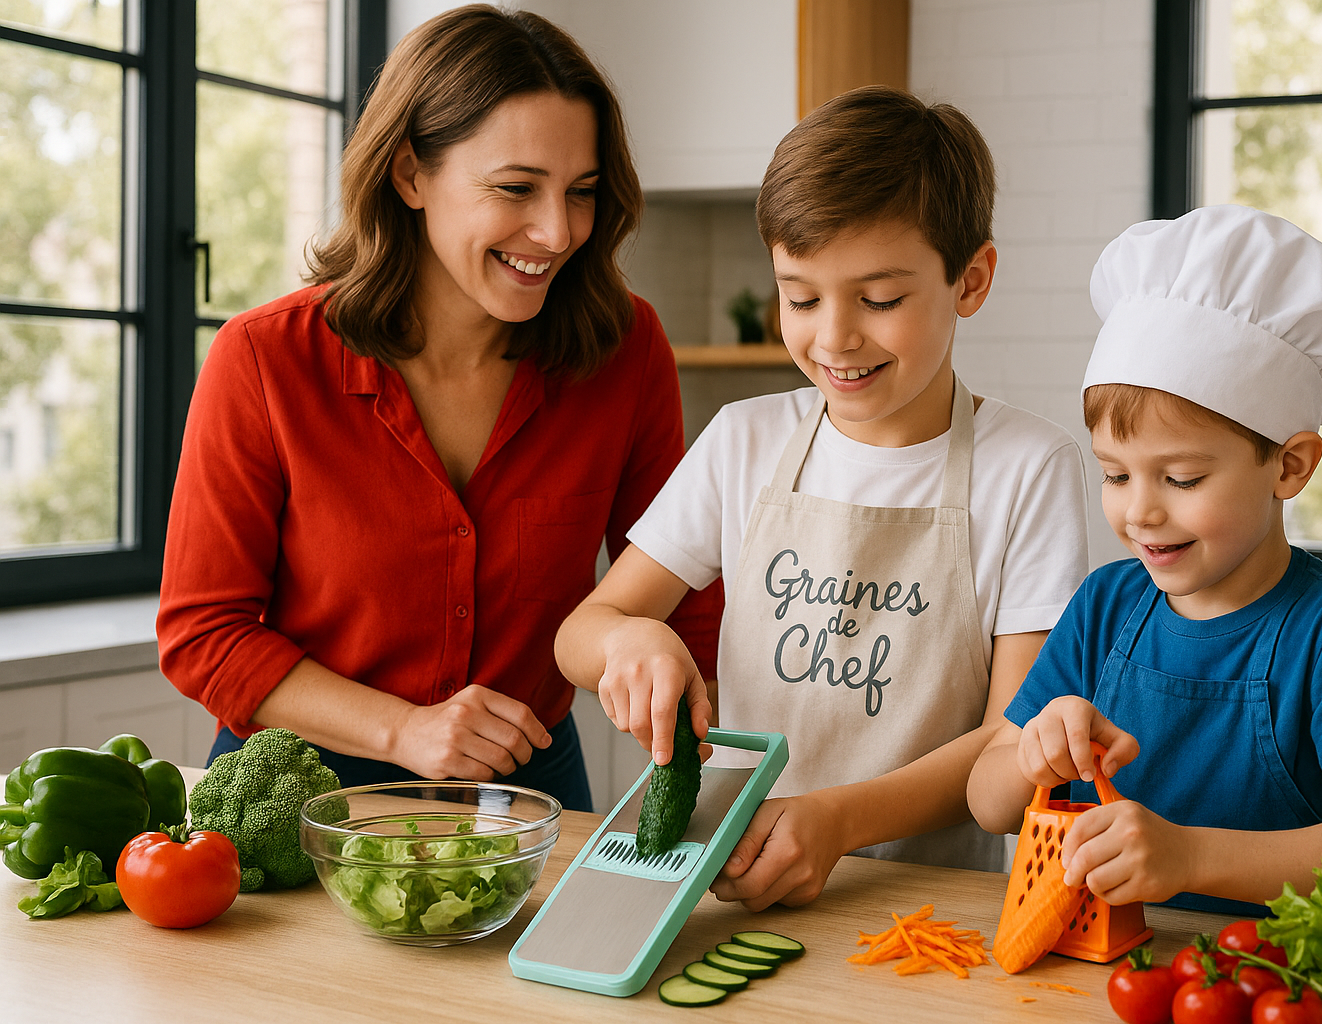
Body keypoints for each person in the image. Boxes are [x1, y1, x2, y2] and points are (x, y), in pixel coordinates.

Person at [156, 5, 722, 811]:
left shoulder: (625, 350)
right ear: (410, 173)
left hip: (528, 792)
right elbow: (202, 635)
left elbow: (687, 587)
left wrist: (701, 778)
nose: (557, 231)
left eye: (582, 192)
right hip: (297, 793)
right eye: (516, 188)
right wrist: (402, 731)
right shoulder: (264, 358)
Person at [555, 86, 1090, 910]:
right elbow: (580, 632)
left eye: (879, 300)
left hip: (926, 898)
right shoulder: (744, 440)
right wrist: (631, 644)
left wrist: (836, 820)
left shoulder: (1029, 466)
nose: (834, 335)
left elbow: (1009, 735)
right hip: (731, 874)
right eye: (800, 297)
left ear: (972, 280)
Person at [967, 204, 1322, 916]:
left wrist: (1191, 856)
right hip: (1100, 976)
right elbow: (985, 800)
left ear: (1290, 466)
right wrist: (1037, 750)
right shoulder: (1105, 607)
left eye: (1181, 479)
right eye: (1116, 475)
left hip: (1264, 982)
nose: (1141, 511)